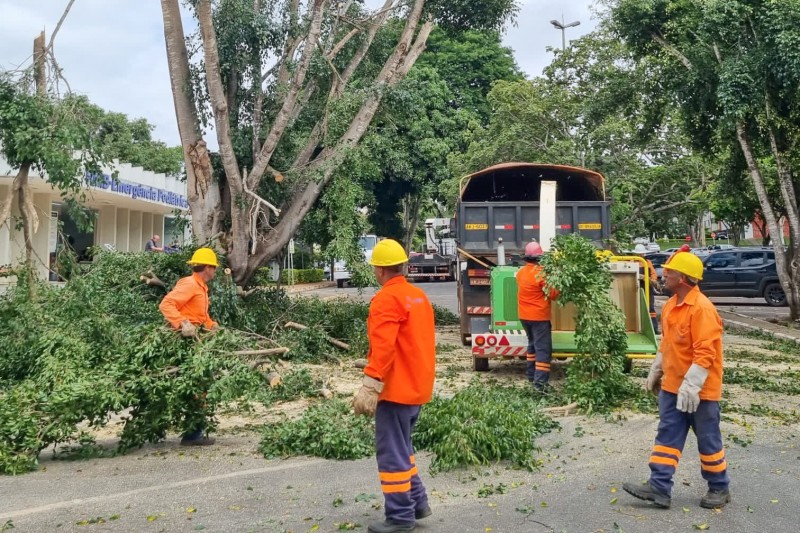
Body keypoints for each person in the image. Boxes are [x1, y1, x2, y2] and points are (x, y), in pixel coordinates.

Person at [623, 249, 731, 509]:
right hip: (672, 387)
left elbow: (706, 353)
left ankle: (719, 488)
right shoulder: (671, 306)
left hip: (700, 391)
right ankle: (659, 488)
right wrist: (656, 369)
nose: (663, 274)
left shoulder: (702, 309)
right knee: (667, 436)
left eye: (669, 272)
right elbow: (668, 344)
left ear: (682, 278)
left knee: (708, 439)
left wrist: (693, 386)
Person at [352, 239, 436, 533]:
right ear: (402, 265)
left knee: (392, 454)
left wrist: (370, 384)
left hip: (396, 390)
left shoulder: (387, 300)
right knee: (404, 450)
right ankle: (418, 502)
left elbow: (383, 348)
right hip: (417, 388)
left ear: (379, 269)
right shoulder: (418, 296)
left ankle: (400, 517)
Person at [158, 247, 220, 446]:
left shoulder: (201, 287)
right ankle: (193, 435)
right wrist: (182, 323)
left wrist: (212, 326)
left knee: (201, 385)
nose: (216, 271)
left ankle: (193, 432)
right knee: (199, 386)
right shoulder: (190, 284)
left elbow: (200, 316)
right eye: (214, 268)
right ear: (207, 268)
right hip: (185, 342)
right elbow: (166, 304)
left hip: (197, 340)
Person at [516, 240, 558, 392]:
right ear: (540, 258)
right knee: (543, 350)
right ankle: (540, 384)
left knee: (532, 346)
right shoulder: (541, 274)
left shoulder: (521, 273)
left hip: (524, 316)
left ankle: (531, 376)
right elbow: (553, 294)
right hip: (539, 317)